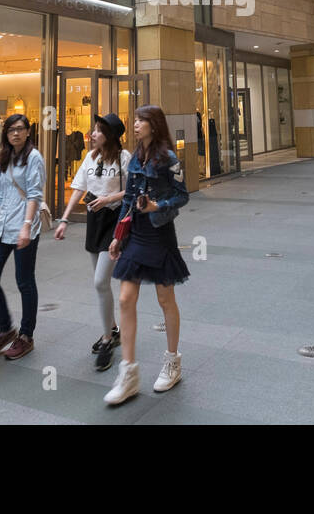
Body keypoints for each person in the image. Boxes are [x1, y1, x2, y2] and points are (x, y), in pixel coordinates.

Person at [104, 106, 191, 406]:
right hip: (136, 235)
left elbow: (183, 195)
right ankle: (128, 373)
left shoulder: (168, 157)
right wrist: (118, 236)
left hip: (159, 233)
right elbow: (128, 198)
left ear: (154, 125)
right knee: (126, 298)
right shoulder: (134, 157)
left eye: (141, 120)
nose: (136, 124)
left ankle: (173, 362)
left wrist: (157, 205)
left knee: (165, 299)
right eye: (135, 120)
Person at [54, 113, 130, 372]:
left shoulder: (124, 158)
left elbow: (133, 191)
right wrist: (64, 219)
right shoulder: (90, 157)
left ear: (109, 136)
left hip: (114, 222)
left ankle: (108, 339)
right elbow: (79, 188)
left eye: (98, 131)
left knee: (100, 281)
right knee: (102, 285)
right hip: (94, 222)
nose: (92, 134)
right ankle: (113, 329)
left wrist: (108, 199)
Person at [0, 113, 45, 361]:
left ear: (28, 132)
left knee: (24, 281)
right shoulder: (3, 158)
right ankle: (6, 328)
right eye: (11, 130)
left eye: (20, 129)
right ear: (6, 134)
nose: (15, 133)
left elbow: (34, 195)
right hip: (1, 228)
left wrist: (27, 226)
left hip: (23, 227)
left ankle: (26, 336)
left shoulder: (34, 158)